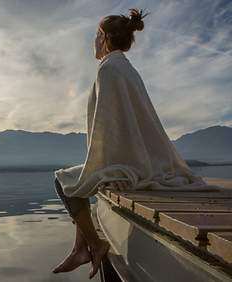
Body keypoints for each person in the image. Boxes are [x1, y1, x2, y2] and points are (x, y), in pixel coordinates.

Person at [52, 8, 150, 279]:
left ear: (105, 38)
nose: (93, 42)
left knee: (62, 181)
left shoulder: (108, 70)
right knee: (79, 181)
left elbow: (111, 128)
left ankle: (94, 245)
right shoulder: (126, 68)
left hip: (124, 163)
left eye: (96, 36)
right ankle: (79, 249)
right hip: (135, 158)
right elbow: (127, 126)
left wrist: (113, 170)